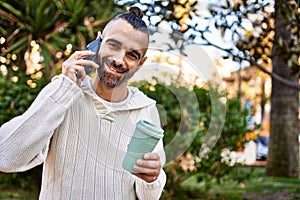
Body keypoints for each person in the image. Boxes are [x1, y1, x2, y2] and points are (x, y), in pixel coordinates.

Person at [0, 6, 166, 199]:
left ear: (141, 63)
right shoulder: (63, 95)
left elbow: (149, 196)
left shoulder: (146, 110)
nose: (120, 60)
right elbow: (5, 156)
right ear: (98, 42)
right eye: (113, 45)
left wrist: (152, 179)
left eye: (132, 55)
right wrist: (65, 87)